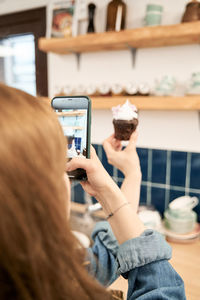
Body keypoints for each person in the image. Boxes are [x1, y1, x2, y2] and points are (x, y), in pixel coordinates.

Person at [0, 83, 186, 300]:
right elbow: (162, 293)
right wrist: (112, 189)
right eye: (55, 163)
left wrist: (130, 176)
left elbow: (110, 253)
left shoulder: (38, 270)